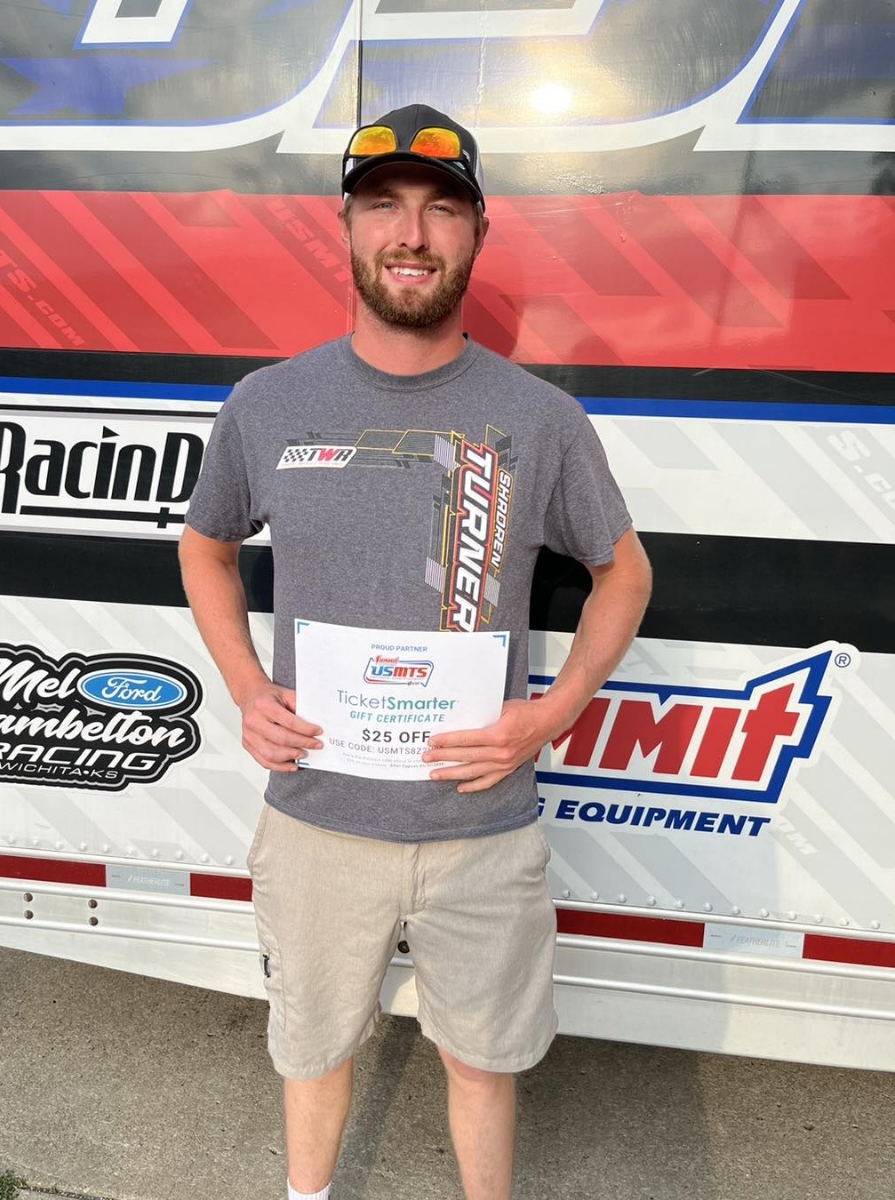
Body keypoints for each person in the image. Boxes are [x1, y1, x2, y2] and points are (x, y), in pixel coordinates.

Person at [179, 103, 652, 1200]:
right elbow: (206, 552)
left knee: (483, 1065)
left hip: (481, 827)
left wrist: (555, 710)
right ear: (344, 228)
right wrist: (247, 691)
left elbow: (623, 572)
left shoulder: (536, 420)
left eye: (443, 210)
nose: (412, 233)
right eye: (384, 205)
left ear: (479, 235)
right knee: (311, 1052)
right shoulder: (268, 404)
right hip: (317, 824)